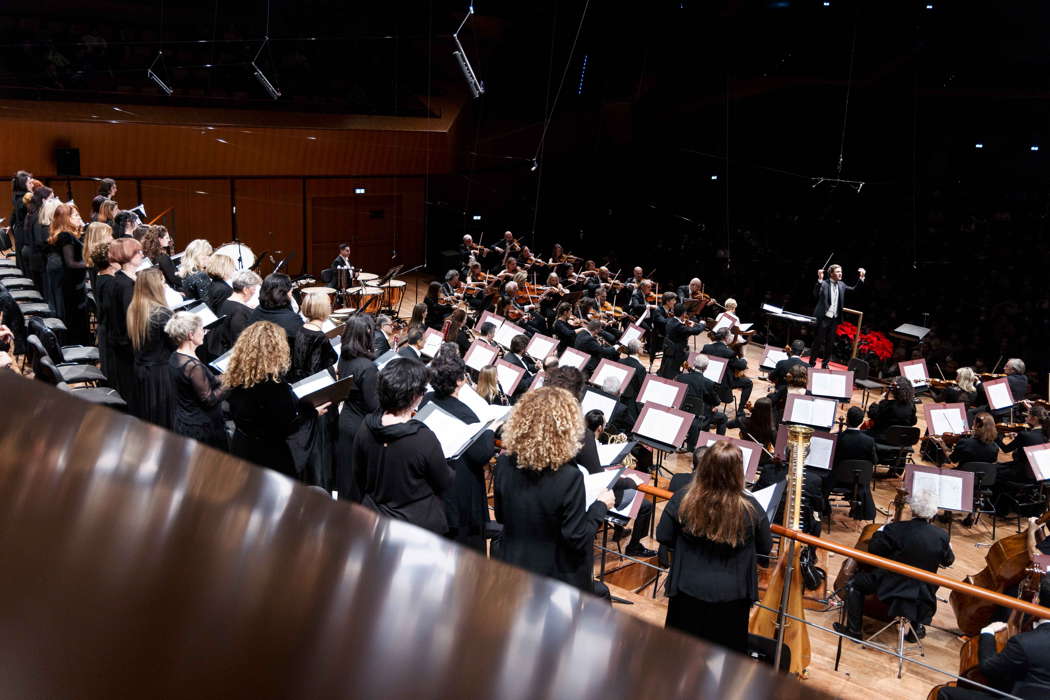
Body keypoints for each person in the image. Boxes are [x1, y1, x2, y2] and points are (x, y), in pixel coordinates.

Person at [494, 386, 616, 595]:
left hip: (510, 564)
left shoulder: (504, 463)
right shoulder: (569, 477)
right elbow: (576, 538)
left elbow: (501, 516)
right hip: (551, 576)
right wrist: (600, 507)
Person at [656, 441, 772, 652]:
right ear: (738, 472)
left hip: (687, 588)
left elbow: (663, 535)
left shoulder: (683, 498)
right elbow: (765, 547)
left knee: (678, 652)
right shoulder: (751, 508)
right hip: (732, 596)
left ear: (704, 466)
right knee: (725, 659)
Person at [835, 489, 955, 641]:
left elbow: (874, 549)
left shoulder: (895, 529)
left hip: (892, 586)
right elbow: (948, 561)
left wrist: (881, 529)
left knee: (854, 584)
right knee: (921, 580)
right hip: (923, 593)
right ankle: (914, 631)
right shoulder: (942, 536)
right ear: (934, 513)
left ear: (912, 509)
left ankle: (854, 631)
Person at [352, 357, 453, 532]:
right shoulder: (423, 438)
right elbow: (444, 481)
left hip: (373, 519)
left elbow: (358, 475)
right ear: (414, 397)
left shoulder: (366, 425)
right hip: (414, 526)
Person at [224, 321, 327, 477]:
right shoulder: (274, 387)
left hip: (242, 450)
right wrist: (312, 413)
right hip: (268, 457)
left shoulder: (237, 377)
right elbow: (288, 427)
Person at [424, 347, 498, 551]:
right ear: (460, 381)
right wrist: (490, 429)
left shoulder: (426, 400)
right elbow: (482, 454)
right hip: (460, 489)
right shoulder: (466, 414)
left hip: (434, 483)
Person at [936, 578, 1050, 700]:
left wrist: (987, 632)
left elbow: (988, 667)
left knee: (945, 693)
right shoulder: (1028, 642)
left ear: (1037, 601)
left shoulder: (1025, 643)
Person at [576, 408, 655, 557]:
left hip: (586, 486)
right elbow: (600, 478)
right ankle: (634, 546)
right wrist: (629, 481)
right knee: (645, 505)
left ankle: (619, 530)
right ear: (600, 428)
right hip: (594, 493)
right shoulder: (589, 442)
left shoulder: (581, 437)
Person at [165, 312, 228, 450]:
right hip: (200, 426)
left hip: (184, 419)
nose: (204, 332)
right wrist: (232, 383)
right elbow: (209, 399)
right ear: (190, 335)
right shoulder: (194, 367)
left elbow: (206, 381)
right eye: (201, 329)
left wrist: (226, 376)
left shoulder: (176, 356)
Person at [334, 314, 380, 500]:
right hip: (360, 427)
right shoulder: (367, 367)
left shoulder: (344, 359)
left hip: (345, 420)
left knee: (346, 477)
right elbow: (374, 405)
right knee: (358, 482)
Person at [127, 268, 175, 428]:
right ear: (155, 286)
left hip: (142, 370)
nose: (165, 285)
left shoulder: (135, 308)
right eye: (163, 281)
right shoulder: (162, 313)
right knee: (164, 419)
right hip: (161, 374)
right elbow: (175, 344)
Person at [99, 238, 143, 401]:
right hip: (127, 347)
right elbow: (130, 320)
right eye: (137, 252)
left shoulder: (121, 279)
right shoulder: (124, 285)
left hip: (124, 344)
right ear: (127, 256)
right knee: (131, 392)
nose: (141, 254)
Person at [48, 203, 90, 344]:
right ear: (67, 218)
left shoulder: (68, 235)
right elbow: (71, 263)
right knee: (75, 318)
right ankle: (78, 346)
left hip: (73, 282)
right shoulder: (66, 236)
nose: (80, 217)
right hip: (72, 285)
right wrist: (90, 264)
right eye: (76, 215)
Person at [810, 263, 866, 369]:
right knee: (818, 341)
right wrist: (820, 280)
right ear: (831, 274)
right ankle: (811, 363)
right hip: (823, 318)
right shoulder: (824, 284)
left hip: (834, 319)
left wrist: (861, 277)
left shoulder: (841, 284)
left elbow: (854, 290)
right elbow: (816, 294)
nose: (840, 273)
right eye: (837, 272)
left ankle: (825, 364)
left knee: (830, 343)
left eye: (841, 271)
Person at [206, 269, 260, 359]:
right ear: (246, 290)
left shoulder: (228, 302)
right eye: (254, 289)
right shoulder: (240, 311)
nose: (254, 292)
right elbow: (240, 342)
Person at [676, 354, 728, 444]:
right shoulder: (708, 383)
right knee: (723, 418)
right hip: (700, 416)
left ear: (694, 364)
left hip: (681, 411)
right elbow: (716, 401)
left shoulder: (680, 377)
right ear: (706, 368)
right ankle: (719, 444)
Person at [289, 291, 338, 383]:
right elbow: (332, 359)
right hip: (313, 383)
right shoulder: (319, 337)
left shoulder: (300, 329)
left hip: (298, 380)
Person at [996, 405, 1049, 484]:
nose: (1026, 417)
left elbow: (1005, 449)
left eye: (1028, 415)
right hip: (1040, 474)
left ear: (1034, 418)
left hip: (1022, 474)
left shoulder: (1024, 435)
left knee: (994, 472)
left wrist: (996, 436)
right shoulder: (1046, 435)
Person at [702, 327, 752, 411]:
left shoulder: (707, 347)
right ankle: (740, 411)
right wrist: (744, 360)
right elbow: (741, 366)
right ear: (727, 338)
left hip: (706, 381)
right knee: (748, 383)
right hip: (722, 386)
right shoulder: (729, 352)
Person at [248, 273, 301, 349]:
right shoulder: (292, 320)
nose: (291, 293)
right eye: (290, 291)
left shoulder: (256, 311)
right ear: (283, 294)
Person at [89, 240, 118, 380]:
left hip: (106, 330)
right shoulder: (110, 283)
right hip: (110, 334)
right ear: (111, 261)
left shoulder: (101, 276)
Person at [659, 304, 706, 379]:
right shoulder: (678, 326)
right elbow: (696, 331)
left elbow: (682, 331)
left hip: (668, 349)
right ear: (683, 313)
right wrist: (702, 324)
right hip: (677, 352)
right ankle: (688, 377)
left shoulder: (670, 320)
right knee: (692, 357)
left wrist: (685, 324)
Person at [866, 376, 917, 440]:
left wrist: (877, 401)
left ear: (894, 391)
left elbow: (871, 414)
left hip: (882, 438)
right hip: (901, 440)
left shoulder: (886, 405)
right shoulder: (911, 406)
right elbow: (913, 422)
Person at [141, 225, 179, 290]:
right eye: (167, 238)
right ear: (159, 239)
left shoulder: (145, 254)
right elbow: (174, 279)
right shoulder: (162, 257)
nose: (169, 240)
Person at [82, 221, 113, 294]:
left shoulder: (91, 255)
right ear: (100, 237)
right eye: (109, 235)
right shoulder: (101, 258)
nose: (112, 238)